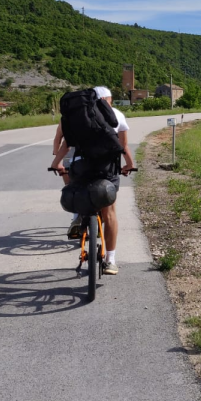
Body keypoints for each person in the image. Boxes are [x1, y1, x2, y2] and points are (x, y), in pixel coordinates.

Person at [51, 86, 135, 275]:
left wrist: (56, 164)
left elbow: (65, 145)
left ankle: (79, 218)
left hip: (80, 167)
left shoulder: (75, 117)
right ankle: (111, 260)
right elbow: (123, 146)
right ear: (107, 99)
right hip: (106, 168)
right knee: (109, 212)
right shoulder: (116, 114)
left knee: (79, 191)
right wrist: (128, 165)